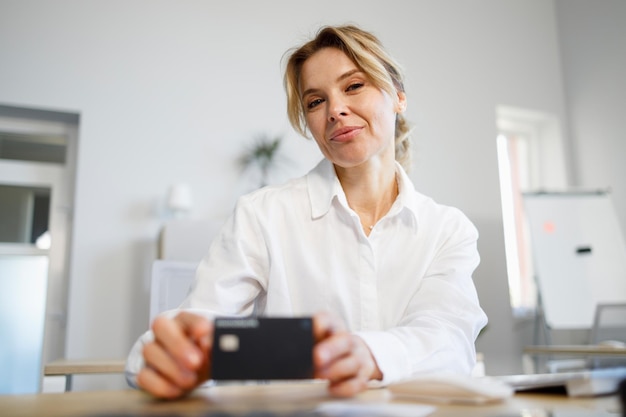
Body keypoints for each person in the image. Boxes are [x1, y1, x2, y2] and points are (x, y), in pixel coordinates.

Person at [125, 24, 488, 400]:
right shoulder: (264, 214)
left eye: (353, 86)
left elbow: (447, 336)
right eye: (316, 102)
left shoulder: (448, 230)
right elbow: (200, 319)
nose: (336, 110)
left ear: (398, 97)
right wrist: (167, 354)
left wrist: (369, 355)